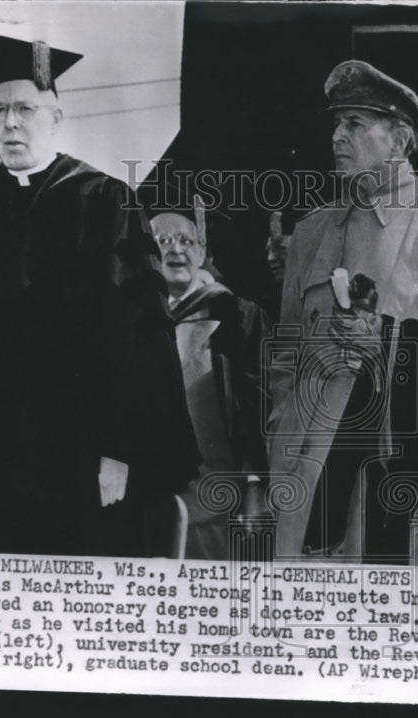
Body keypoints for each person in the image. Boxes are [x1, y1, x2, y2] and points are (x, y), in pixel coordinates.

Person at [0, 35, 199, 557]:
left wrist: (120, 450)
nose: (10, 123)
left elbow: (138, 336)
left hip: (81, 456)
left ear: (56, 117)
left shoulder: (105, 200)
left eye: (24, 108)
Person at [267, 60, 418, 566]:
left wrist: (390, 338)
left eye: (354, 124)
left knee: (407, 624)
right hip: (307, 475)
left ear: (398, 141)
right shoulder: (310, 232)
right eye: (336, 123)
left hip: (404, 469)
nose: (337, 136)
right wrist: (281, 441)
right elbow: (286, 352)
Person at [151, 209, 269, 560]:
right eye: (163, 241)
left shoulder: (238, 315)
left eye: (186, 241)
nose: (176, 250)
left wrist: (254, 484)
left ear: (202, 252)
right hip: (154, 498)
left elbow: (260, 402)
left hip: (217, 499)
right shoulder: (130, 315)